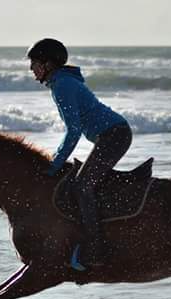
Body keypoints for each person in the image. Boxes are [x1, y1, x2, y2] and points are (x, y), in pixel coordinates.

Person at [27, 38, 132, 271]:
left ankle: (94, 248)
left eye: (34, 63)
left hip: (114, 135)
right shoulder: (60, 82)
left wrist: (55, 164)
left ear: (47, 64)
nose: (30, 69)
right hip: (110, 135)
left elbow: (73, 131)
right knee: (81, 182)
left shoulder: (62, 85)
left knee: (82, 186)